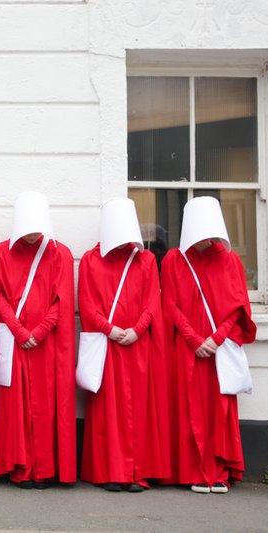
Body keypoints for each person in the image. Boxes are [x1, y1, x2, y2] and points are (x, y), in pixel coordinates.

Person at [161, 196, 257, 494]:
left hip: (218, 348)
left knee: (218, 410)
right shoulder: (174, 260)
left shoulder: (230, 260)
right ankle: (191, 471)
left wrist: (214, 339)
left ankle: (217, 471)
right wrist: (194, 338)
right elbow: (170, 304)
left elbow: (238, 306)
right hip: (188, 348)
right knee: (187, 406)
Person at [78, 197, 170, 492]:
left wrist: (137, 330)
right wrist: (111, 329)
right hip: (109, 344)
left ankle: (135, 471)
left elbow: (152, 300)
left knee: (137, 410)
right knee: (109, 411)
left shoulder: (144, 261)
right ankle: (111, 471)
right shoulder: (92, 260)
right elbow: (87, 302)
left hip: (135, 344)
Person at [0, 191, 76, 489]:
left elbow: (61, 300)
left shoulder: (60, 253)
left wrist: (37, 331)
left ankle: (44, 468)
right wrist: (19, 330)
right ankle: (21, 466)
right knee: (17, 403)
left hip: (46, 342)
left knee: (45, 403)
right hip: (18, 340)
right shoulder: (2, 252)